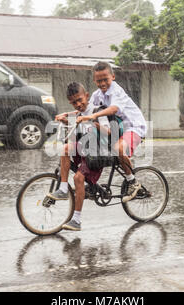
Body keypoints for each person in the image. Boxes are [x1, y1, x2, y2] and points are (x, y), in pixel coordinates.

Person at [77, 61, 147, 204]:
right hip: (114, 129)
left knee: (118, 148)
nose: (102, 83)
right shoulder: (97, 95)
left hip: (133, 127)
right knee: (95, 150)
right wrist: (67, 116)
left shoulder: (116, 91)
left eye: (105, 79)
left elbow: (113, 109)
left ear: (113, 77)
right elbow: (86, 110)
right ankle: (92, 184)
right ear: (94, 80)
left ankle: (132, 182)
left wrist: (93, 116)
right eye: (99, 80)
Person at [47, 82, 111, 231]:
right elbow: (77, 129)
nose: (77, 104)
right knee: (65, 148)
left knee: (77, 178)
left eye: (80, 100)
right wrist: (65, 120)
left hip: (96, 153)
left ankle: (76, 219)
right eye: (73, 102)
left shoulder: (97, 111)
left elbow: (108, 132)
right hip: (84, 150)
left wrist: (92, 122)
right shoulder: (79, 113)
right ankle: (63, 189)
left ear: (87, 96)